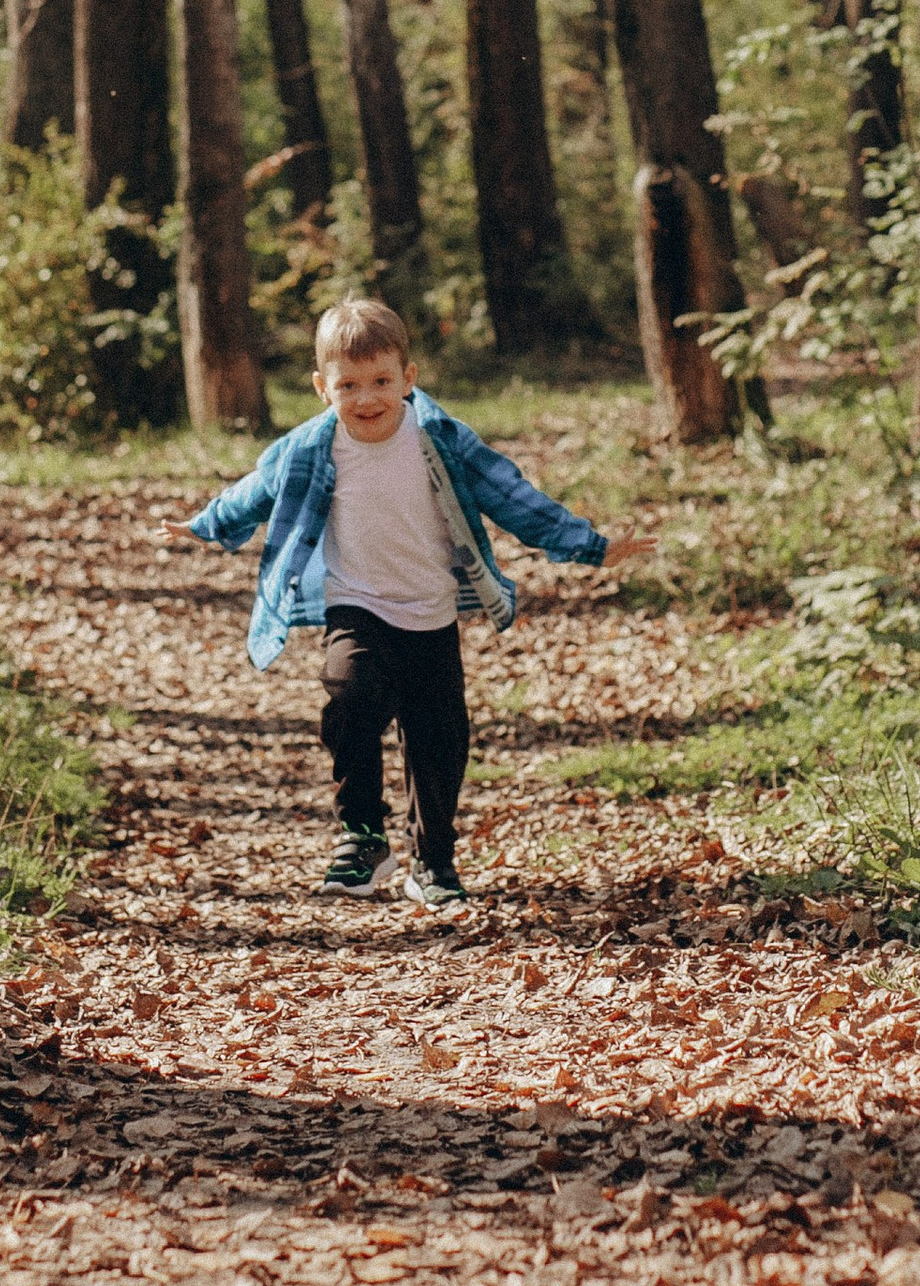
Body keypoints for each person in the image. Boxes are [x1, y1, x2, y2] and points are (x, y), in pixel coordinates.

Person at [169, 295, 640, 903]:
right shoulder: (313, 446)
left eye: (381, 381)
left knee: (437, 737)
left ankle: (433, 863)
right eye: (349, 385)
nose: (366, 399)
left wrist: (591, 545)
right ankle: (363, 835)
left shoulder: (438, 438)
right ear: (322, 387)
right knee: (350, 697)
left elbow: (510, 494)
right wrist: (206, 524)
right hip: (355, 603)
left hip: (431, 609)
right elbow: (256, 491)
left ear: (408, 379)